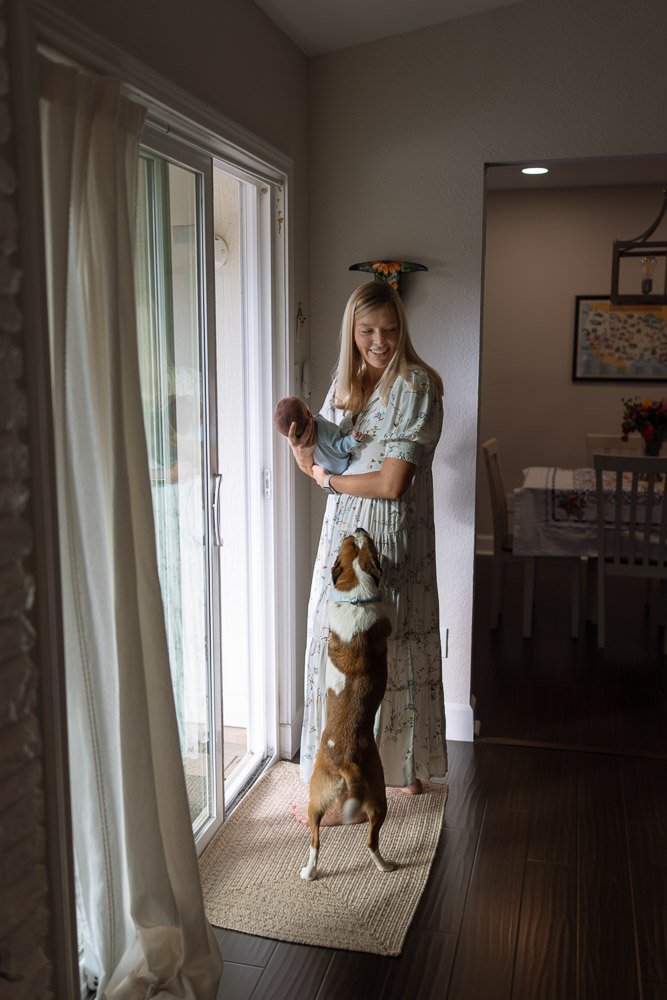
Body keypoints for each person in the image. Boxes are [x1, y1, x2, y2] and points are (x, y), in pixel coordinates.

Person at [287, 280, 447, 819]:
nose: (378, 341)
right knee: (336, 648)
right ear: (352, 333)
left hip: (389, 533)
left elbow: (392, 483)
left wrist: (327, 484)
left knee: (385, 648)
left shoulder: (417, 384)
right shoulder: (347, 384)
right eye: (366, 331)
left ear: (403, 328)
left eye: (389, 329)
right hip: (344, 530)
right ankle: (342, 773)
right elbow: (326, 460)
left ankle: (395, 768)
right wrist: (303, 446)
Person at [273, 395, 365, 474]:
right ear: (309, 413)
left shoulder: (300, 442)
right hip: (342, 464)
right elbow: (339, 445)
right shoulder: (322, 427)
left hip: (328, 471)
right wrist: (353, 440)